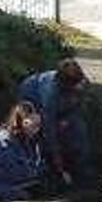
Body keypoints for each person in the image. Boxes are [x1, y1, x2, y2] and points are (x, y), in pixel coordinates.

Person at [18, 58, 92, 189]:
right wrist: (59, 164)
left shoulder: (80, 81)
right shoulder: (50, 94)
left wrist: (67, 119)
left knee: (79, 129)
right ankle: (47, 171)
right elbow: (49, 131)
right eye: (73, 88)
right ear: (64, 84)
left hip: (62, 106)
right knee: (41, 136)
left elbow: (79, 105)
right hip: (33, 102)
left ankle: (82, 168)